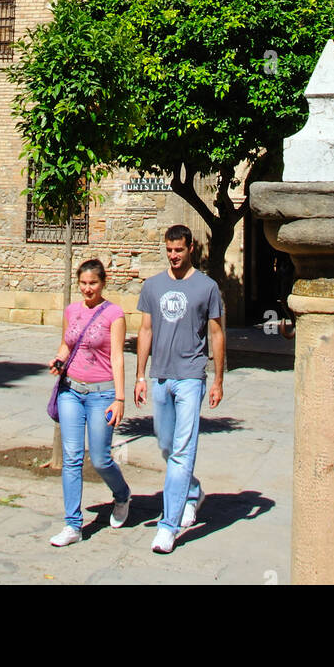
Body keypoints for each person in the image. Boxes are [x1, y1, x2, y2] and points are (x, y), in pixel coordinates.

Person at [134, 225, 225, 553]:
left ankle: (168, 526)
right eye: (169, 250)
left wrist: (217, 379)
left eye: (179, 250)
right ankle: (193, 491)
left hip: (190, 377)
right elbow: (145, 330)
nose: (174, 256)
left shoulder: (207, 287)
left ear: (190, 249)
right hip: (160, 376)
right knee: (166, 446)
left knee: (182, 452)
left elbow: (216, 334)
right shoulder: (153, 286)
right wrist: (140, 376)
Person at [48, 258, 131, 546]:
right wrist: (59, 360)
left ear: (103, 283)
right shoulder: (71, 310)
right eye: (83, 283)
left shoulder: (114, 314)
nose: (87, 289)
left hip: (102, 393)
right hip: (71, 390)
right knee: (72, 458)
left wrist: (120, 398)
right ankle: (73, 525)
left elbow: (118, 357)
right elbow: (66, 344)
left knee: (100, 458)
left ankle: (122, 495)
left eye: (92, 283)